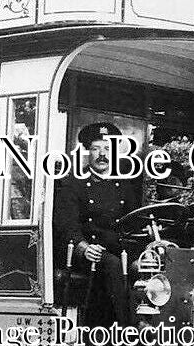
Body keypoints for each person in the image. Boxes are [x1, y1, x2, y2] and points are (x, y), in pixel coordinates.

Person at [53, 122, 140, 327]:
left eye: (107, 148)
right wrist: (83, 248)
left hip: (120, 249)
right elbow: (66, 225)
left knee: (149, 265)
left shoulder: (125, 184)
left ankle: (152, 325)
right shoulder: (73, 184)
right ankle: (131, 332)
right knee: (113, 265)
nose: (102, 154)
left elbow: (135, 221)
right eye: (96, 148)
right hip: (89, 252)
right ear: (87, 152)